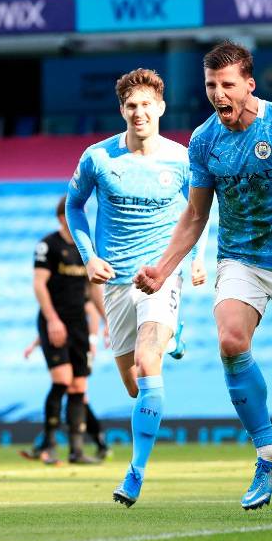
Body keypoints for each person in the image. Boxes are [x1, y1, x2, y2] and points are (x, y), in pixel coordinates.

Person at [134, 41, 272, 510]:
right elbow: (196, 215)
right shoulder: (204, 141)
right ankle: (269, 457)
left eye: (227, 84)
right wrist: (163, 268)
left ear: (249, 85)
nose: (218, 93)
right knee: (231, 341)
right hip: (239, 259)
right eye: (211, 85)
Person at [66, 68, 209, 507]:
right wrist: (89, 256)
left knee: (149, 365)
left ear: (161, 108)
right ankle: (174, 335)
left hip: (160, 275)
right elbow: (74, 206)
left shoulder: (181, 159)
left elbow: (200, 210)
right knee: (134, 386)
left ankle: (135, 472)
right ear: (122, 110)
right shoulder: (98, 158)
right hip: (116, 281)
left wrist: (198, 257)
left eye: (147, 104)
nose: (139, 112)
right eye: (132, 105)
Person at [20, 196, 109, 465]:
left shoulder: (87, 248)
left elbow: (94, 288)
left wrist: (108, 321)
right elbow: (39, 284)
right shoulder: (48, 245)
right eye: (75, 213)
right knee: (62, 379)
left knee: (79, 385)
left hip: (78, 322)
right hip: (54, 321)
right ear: (63, 218)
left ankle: (76, 451)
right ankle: (47, 445)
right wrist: (52, 320)